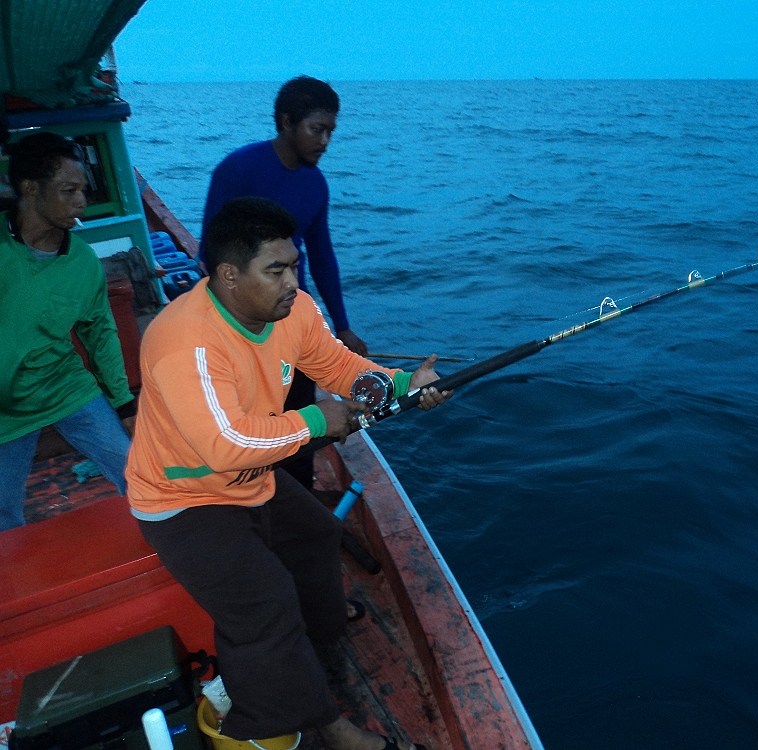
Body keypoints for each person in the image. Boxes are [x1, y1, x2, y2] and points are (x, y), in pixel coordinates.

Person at [127, 197, 445, 750]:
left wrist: (400, 387)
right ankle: (316, 722)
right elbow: (226, 446)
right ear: (228, 276)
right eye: (276, 270)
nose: (292, 282)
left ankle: (314, 647)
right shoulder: (184, 341)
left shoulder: (292, 310)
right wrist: (321, 419)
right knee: (265, 600)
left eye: (293, 265)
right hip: (184, 499)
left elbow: (340, 366)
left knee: (319, 536)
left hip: (253, 480)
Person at [201, 75, 365, 492]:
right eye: (317, 129)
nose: (325, 140)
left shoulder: (316, 184)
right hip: (242, 324)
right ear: (286, 122)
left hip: (292, 319)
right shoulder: (237, 170)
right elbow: (212, 254)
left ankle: (298, 495)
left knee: (298, 415)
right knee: (249, 419)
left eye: (331, 131)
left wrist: (341, 326)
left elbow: (323, 257)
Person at [0, 132, 134, 532]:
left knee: (136, 474)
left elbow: (100, 334)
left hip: (65, 387)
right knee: (4, 515)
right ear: (29, 189)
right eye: (68, 190)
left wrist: (123, 401)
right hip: (5, 407)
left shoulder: (82, 263)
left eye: (83, 190)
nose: (81, 201)